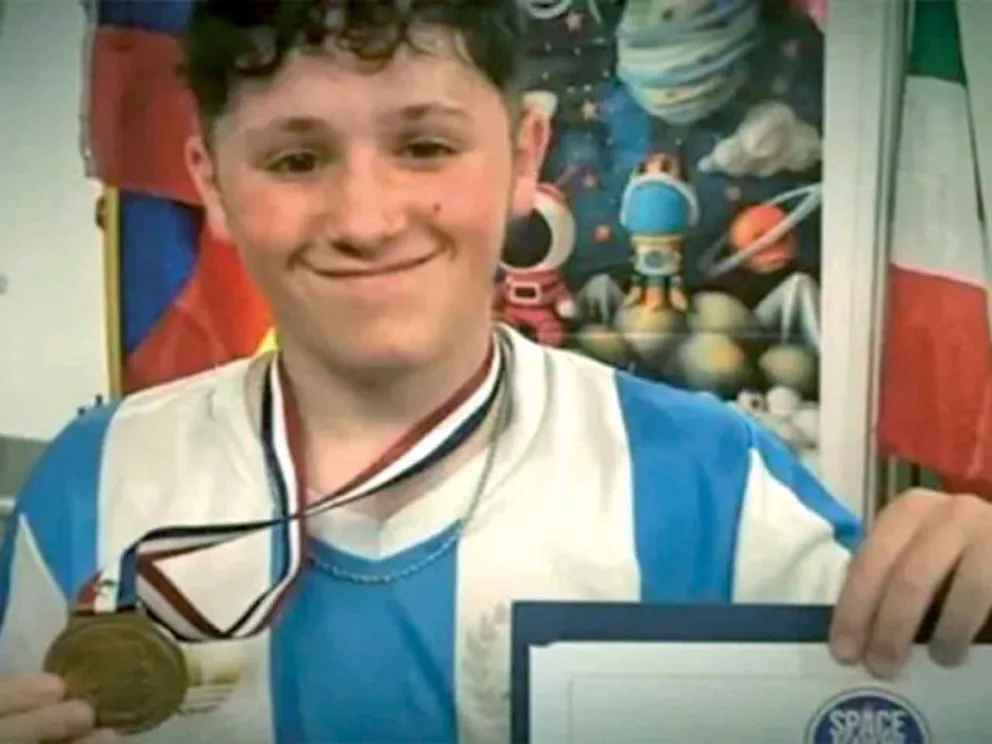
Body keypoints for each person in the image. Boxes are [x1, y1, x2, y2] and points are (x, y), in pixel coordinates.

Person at [2, 1, 991, 742]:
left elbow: (925, 696)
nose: (366, 219)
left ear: (524, 156)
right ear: (211, 183)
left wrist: (974, 596)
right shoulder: (96, 479)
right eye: (295, 161)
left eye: (425, 146)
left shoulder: (714, 482)